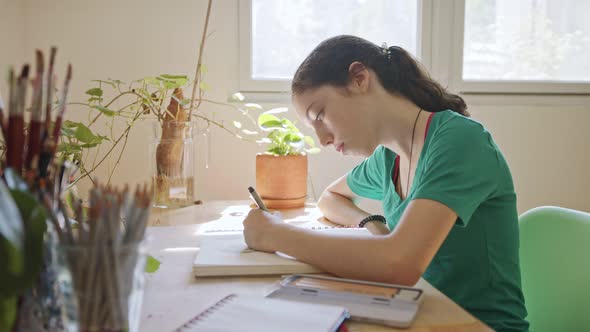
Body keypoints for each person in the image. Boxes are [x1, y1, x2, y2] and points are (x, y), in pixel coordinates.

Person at [243, 35, 528, 332]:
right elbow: (331, 197)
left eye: (321, 115)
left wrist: (273, 235)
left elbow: (399, 264)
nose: (323, 140)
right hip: (416, 315)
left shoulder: (459, 141)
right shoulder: (387, 158)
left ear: (359, 78)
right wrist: (372, 223)